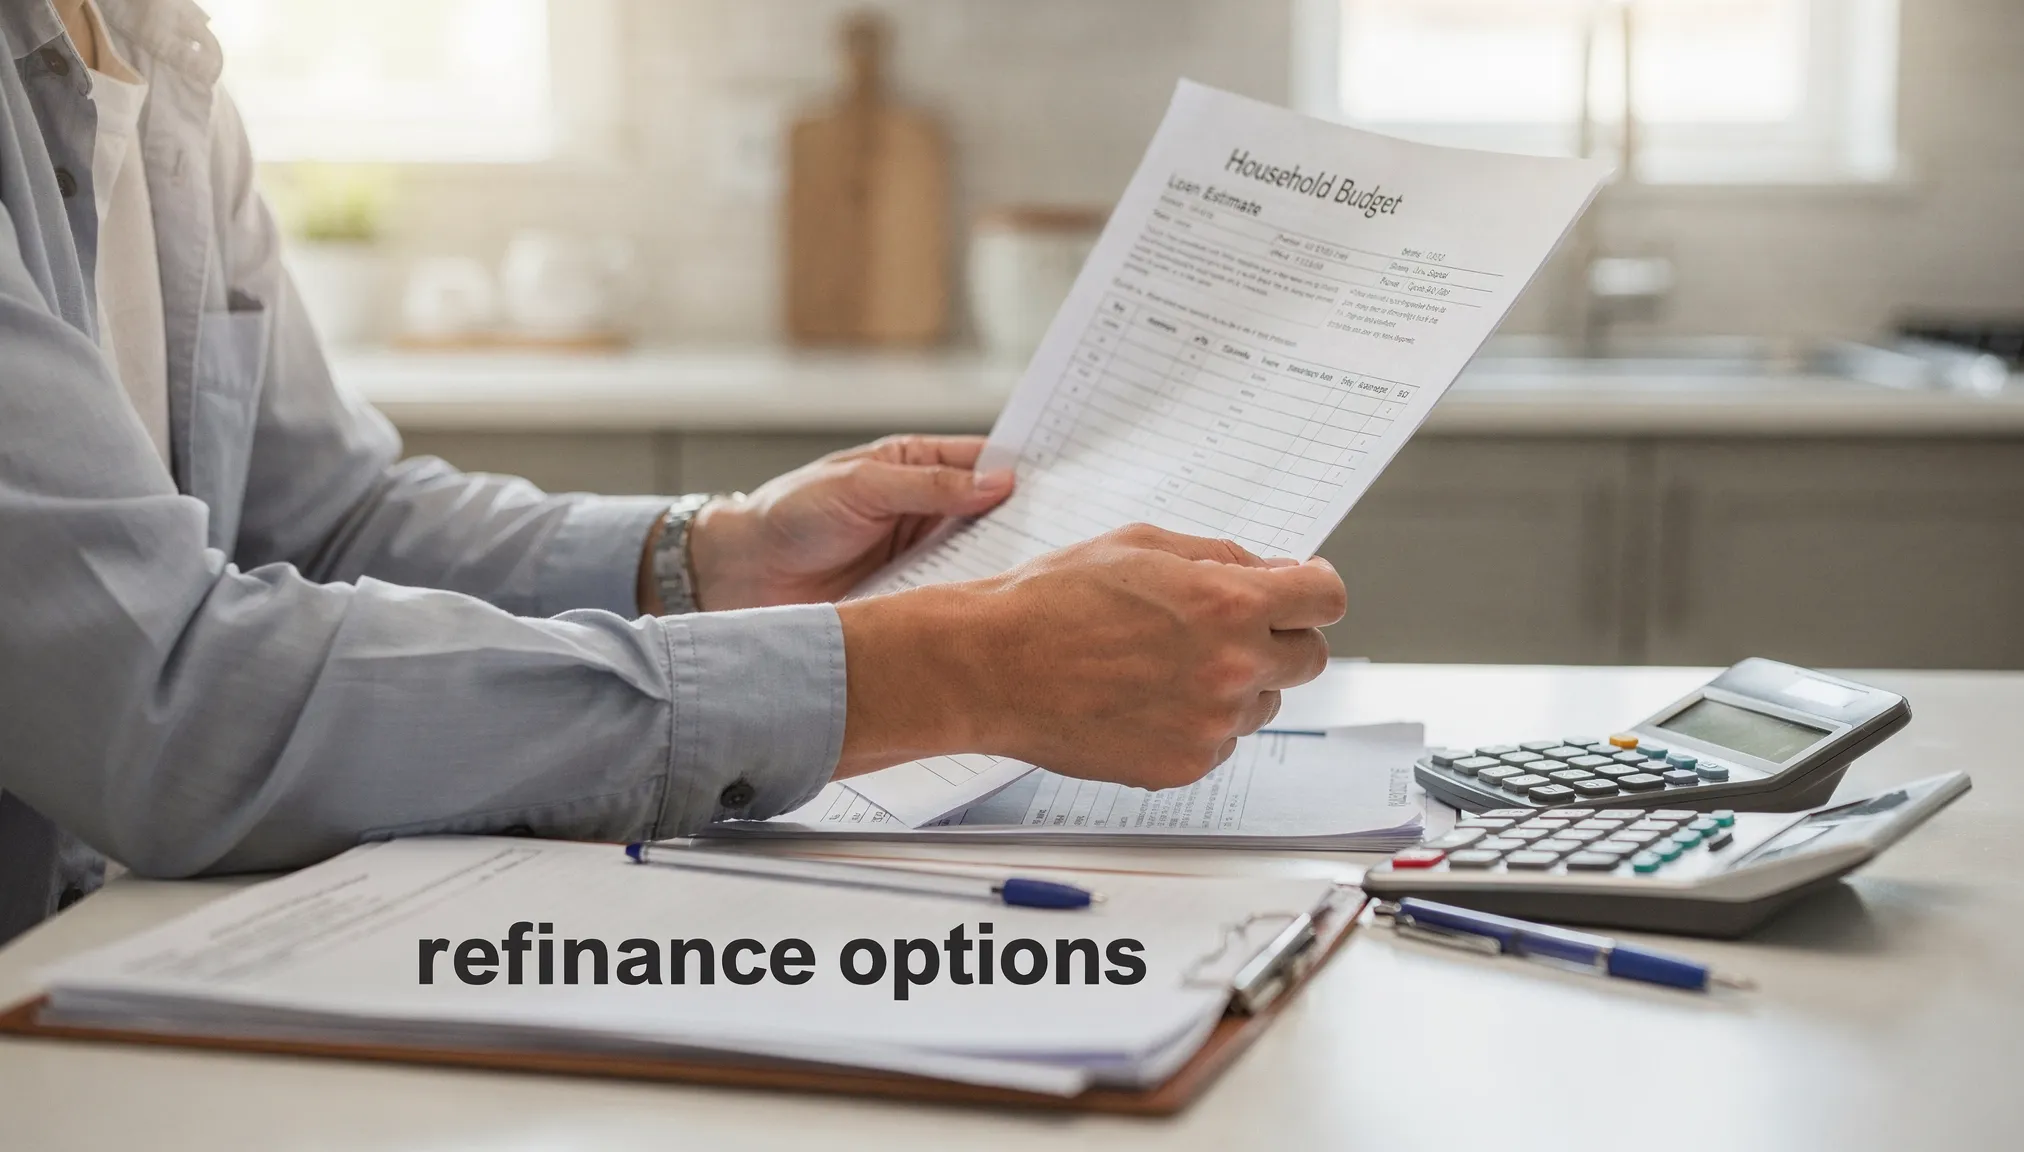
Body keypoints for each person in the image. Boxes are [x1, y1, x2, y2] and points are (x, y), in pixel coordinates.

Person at [0, 0, 1346, 945]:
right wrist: (946, 668)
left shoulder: (159, 57)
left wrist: (705, 556)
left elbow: (329, 523)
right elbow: (166, 700)